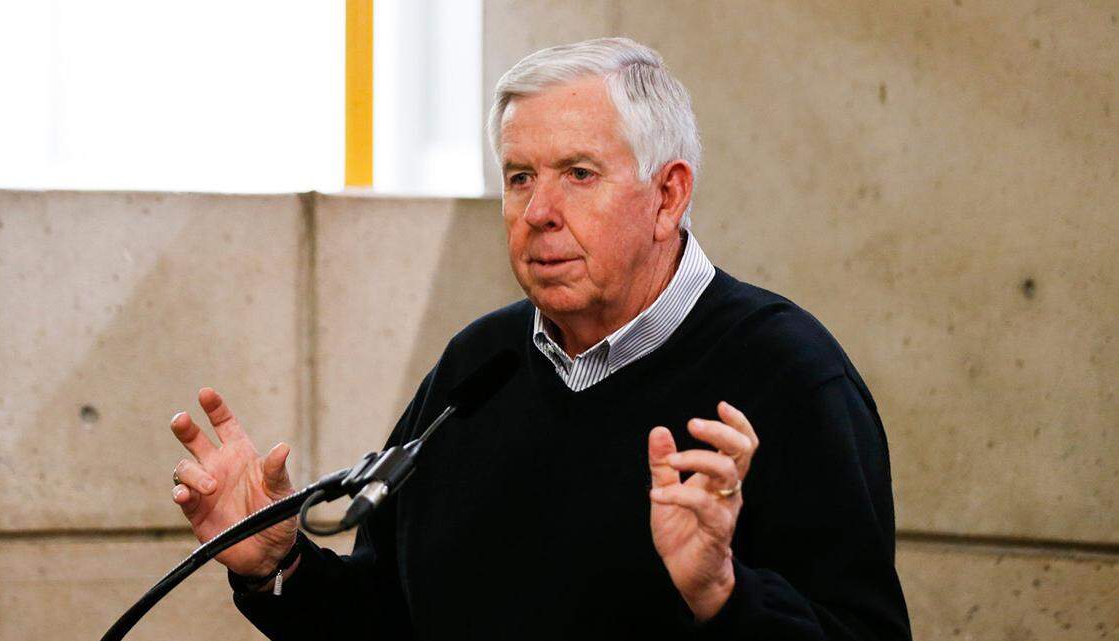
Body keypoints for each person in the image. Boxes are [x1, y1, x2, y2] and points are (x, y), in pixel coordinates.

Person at [168, 38, 912, 640]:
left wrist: (725, 595)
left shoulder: (789, 375)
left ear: (669, 194)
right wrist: (280, 566)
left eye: (579, 174)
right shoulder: (478, 366)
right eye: (520, 177)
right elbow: (391, 621)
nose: (539, 211)